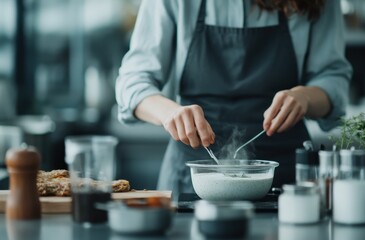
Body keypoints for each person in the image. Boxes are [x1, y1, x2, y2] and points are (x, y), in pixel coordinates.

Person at [116, 0, 352, 199]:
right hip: (190, 182)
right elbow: (133, 81)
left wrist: (306, 97)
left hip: (288, 184)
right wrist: (169, 113)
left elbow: (333, 80)